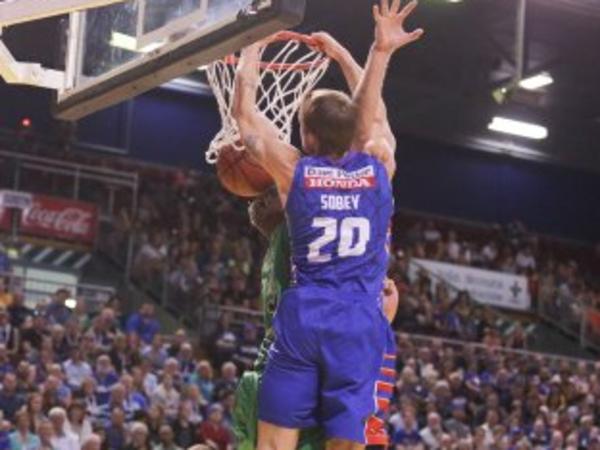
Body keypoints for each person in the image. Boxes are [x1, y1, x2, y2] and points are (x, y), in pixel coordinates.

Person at [231, 0, 423, 447]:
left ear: (309, 137)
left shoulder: (295, 172)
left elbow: (246, 119)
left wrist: (252, 46)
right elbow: (373, 119)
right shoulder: (379, 165)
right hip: (358, 318)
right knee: (348, 440)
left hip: (304, 315)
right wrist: (374, 53)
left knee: (274, 443)